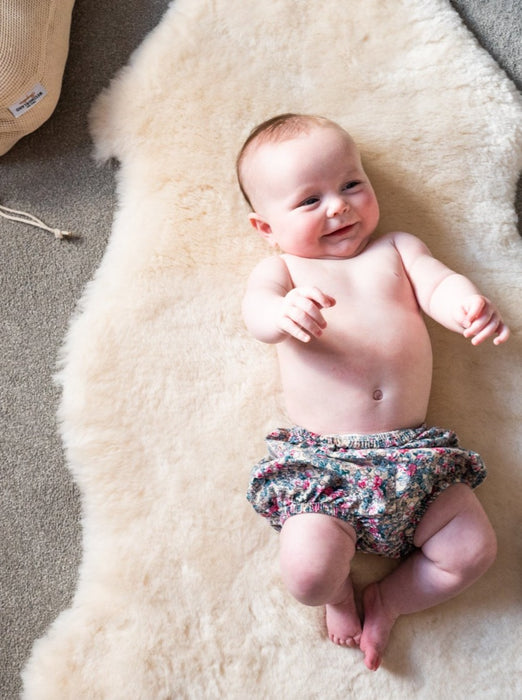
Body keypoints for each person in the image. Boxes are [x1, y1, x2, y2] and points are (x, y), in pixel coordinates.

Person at [237, 113, 508, 671]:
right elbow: (256, 315)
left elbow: (438, 283)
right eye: (308, 201)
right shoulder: (282, 270)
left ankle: (391, 598)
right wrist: (282, 311)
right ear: (266, 227)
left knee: (473, 551)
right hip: (325, 466)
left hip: (416, 459)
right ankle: (340, 594)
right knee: (307, 574)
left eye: (351, 184)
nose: (338, 206)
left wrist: (465, 306)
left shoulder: (398, 248)